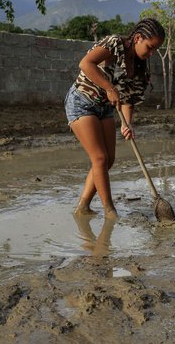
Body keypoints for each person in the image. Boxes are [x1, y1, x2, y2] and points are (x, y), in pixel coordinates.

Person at [64, 18, 165, 218]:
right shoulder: (114, 44)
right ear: (137, 38)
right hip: (82, 101)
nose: (151, 54)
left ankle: (83, 206)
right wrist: (109, 88)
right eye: (150, 47)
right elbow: (85, 64)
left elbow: (128, 100)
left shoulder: (139, 66)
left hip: (105, 108)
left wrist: (127, 124)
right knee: (99, 158)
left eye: (155, 50)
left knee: (108, 160)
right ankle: (110, 212)